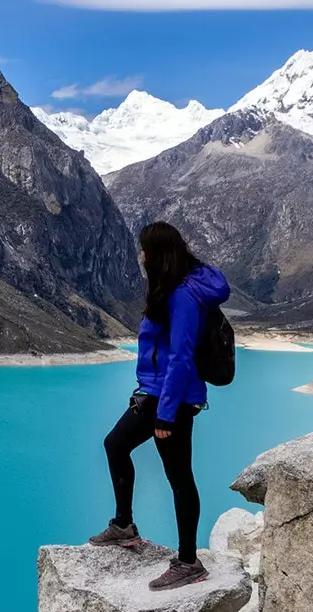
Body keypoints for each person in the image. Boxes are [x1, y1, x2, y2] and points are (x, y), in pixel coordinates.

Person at [88, 222, 231, 590]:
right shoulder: (171, 287)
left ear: (157, 253)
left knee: (180, 479)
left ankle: (188, 562)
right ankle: (124, 526)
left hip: (173, 399)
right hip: (154, 393)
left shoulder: (183, 296)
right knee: (115, 444)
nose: (140, 255)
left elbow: (181, 357)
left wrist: (166, 414)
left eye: (144, 249)